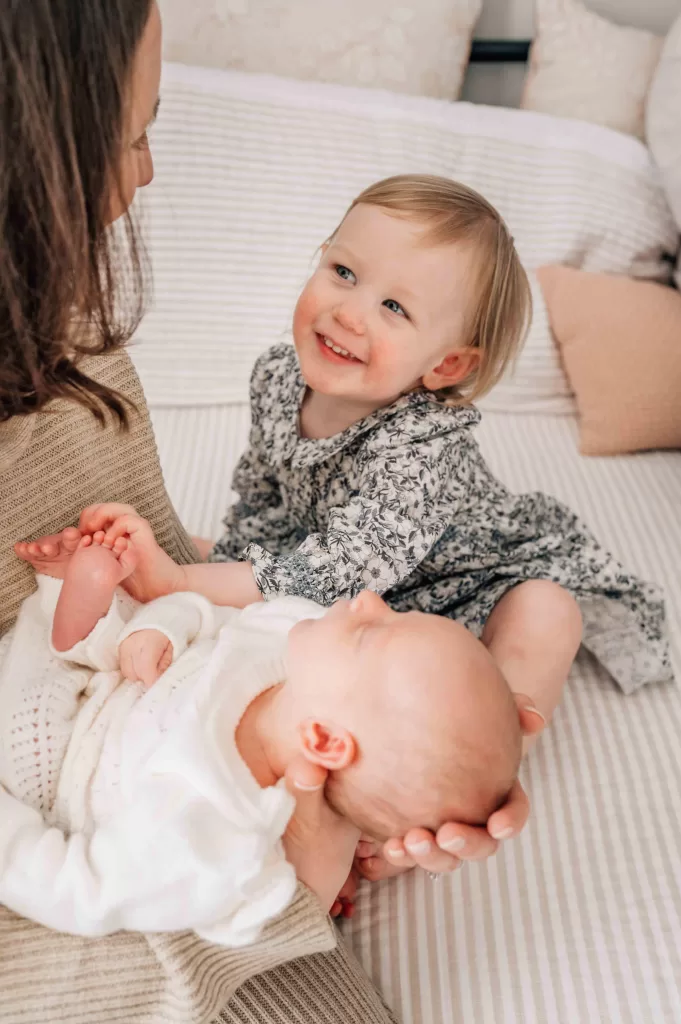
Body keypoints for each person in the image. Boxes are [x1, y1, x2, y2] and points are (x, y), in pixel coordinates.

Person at [0, 4, 535, 1022]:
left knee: (541, 606)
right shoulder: (265, 383)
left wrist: (437, 758)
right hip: (96, 804)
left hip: (413, 597)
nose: (147, 175)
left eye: (395, 307)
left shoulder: (66, 314)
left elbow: (246, 604)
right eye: (132, 136)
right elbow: (251, 546)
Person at [2, 531, 521, 940]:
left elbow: (81, 888)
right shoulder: (290, 640)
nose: (368, 599)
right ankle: (78, 614)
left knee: (24, 727)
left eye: (370, 631)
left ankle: (73, 626)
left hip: (61, 773)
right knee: (116, 633)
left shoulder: (222, 833)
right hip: (121, 683)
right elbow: (218, 619)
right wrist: (165, 624)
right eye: (396, 611)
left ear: (323, 741)